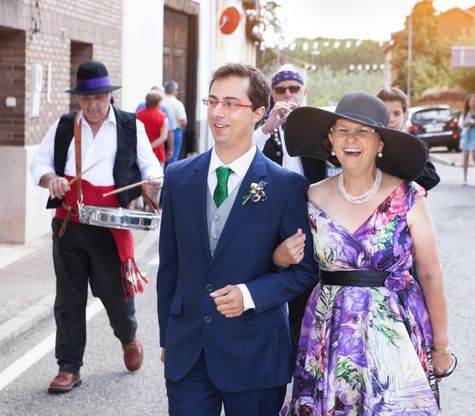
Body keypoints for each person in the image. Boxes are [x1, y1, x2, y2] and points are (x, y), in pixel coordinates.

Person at [157, 63, 318, 416]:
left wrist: (249, 294)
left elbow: (304, 272)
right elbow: (169, 265)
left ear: (259, 113)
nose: (218, 112)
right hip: (189, 352)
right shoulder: (178, 177)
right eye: (212, 101)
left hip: (256, 352)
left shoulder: (287, 187)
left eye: (231, 103)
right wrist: (167, 337)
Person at [280, 92, 454, 414]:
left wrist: (441, 347)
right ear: (330, 140)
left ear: (380, 143)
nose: (351, 139)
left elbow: (430, 275)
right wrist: (279, 256)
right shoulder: (310, 196)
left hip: (396, 333)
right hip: (328, 334)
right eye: (342, 130)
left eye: (362, 131)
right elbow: (294, 264)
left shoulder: (410, 195)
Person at [29, 61, 162, 393]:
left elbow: (152, 169)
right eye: (86, 98)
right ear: (78, 99)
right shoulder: (63, 127)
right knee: (69, 298)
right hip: (68, 225)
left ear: (109, 96)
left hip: (110, 227)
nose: (93, 104)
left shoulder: (131, 126)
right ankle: (69, 368)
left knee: (115, 296)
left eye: (99, 96)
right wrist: (52, 179)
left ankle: (128, 336)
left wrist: (152, 184)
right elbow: (39, 163)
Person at [253, 66, 326, 347]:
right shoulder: (263, 126)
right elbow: (241, 158)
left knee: (303, 296)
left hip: (311, 223)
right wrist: (266, 129)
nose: (287, 95)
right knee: (267, 291)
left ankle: (299, 358)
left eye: (293, 89)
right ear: (272, 94)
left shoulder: (319, 127)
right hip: (267, 224)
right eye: (280, 90)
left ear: (304, 92)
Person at [376, 87, 440, 191]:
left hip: (404, 205)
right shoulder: (366, 143)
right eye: (386, 113)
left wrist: (403, 166)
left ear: (404, 115)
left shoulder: (416, 145)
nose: (391, 119)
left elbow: (432, 178)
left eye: (397, 113)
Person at [136, 89, 175, 162]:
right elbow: (163, 137)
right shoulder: (163, 117)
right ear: (158, 103)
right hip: (157, 153)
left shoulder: (137, 115)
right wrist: (149, 147)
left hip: (140, 152)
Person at [459, 93, 475, 185]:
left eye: (474, 101)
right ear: (468, 102)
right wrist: (466, 123)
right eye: (471, 101)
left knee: (474, 156)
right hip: (467, 135)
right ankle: (465, 178)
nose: (472, 103)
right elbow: (461, 124)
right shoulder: (465, 112)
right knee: (465, 156)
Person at [163, 80, 188, 165]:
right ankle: (169, 176)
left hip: (160, 131)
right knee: (172, 158)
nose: (177, 91)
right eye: (177, 89)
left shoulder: (160, 101)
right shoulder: (177, 103)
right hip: (175, 131)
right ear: (173, 91)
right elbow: (183, 121)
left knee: (161, 157)